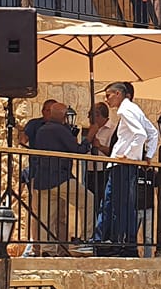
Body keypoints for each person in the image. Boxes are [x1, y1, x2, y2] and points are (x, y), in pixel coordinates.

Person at [92, 82, 153, 256]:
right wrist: (147, 155)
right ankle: (116, 242)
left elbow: (141, 134)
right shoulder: (135, 110)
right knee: (117, 203)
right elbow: (153, 133)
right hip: (122, 165)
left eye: (108, 95)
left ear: (118, 94)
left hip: (122, 165)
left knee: (117, 204)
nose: (107, 99)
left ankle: (117, 244)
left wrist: (128, 155)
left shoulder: (125, 110)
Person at [23, 99, 86, 253]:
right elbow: (23, 140)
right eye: (48, 110)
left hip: (56, 176)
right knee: (41, 214)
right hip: (41, 174)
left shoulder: (61, 128)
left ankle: (60, 249)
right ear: (44, 111)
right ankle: (39, 248)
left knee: (60, 215)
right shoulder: (36, 125)